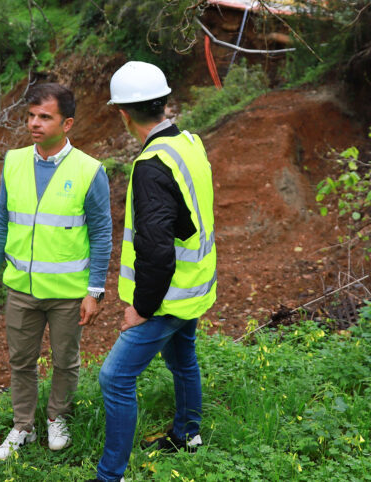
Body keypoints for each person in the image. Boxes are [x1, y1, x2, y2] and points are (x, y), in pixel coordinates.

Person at [90, 61, 218, 482]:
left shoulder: (150, 165)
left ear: (124, 114)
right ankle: (188, 435)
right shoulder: (189, 143)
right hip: (194, 287)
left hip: (167, 297)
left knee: (115, 378)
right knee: (184, 360)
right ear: (163, 103)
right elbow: (186, 219)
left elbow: (157, 251)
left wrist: (141, 309)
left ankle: (112, 476)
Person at [0, 83, 112, 459]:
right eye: (31, 116)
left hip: (69, 292)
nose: (34, 123)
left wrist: (94, 290)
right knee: (20, 361)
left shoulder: (89, 170)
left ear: (66, 123)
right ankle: (22, 427)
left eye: (44, 117)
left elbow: (102, 234)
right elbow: (1, 221)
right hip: (20, 289)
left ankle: (58, 418)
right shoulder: (14, 161)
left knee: (66, 360)